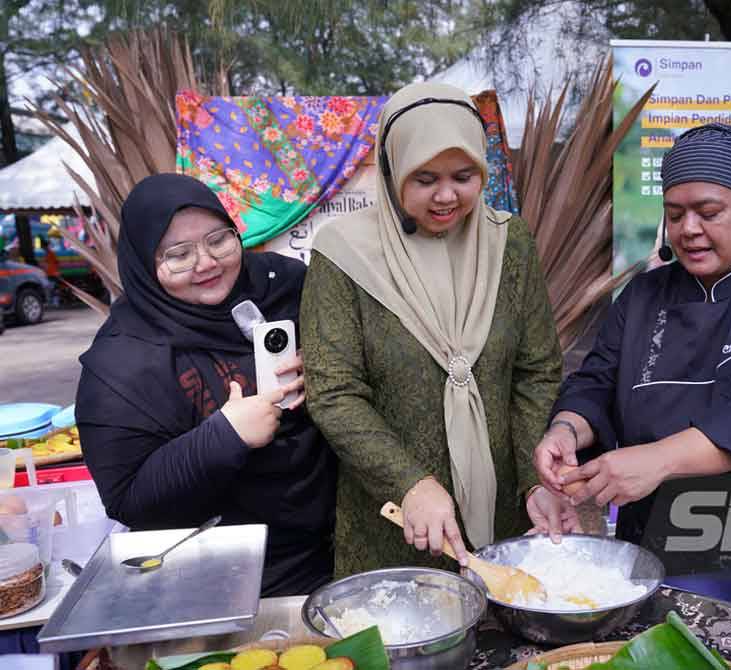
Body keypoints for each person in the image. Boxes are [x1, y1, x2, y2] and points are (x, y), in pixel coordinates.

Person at [301, 82, 575, 579]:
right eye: (425, 178)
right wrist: (409, 482)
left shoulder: (508, 242)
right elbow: (334, 393)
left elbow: (536, 372)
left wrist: (535, 481)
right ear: (392, 171)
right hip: (393, 522)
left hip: (503, 513)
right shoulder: (342, 253)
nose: (447, 196)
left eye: (464, 176)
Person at [534, 123, 731, 552]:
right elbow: (597, 383)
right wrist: (566, 430)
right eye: (675, 215)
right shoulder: (642, 296)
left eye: (709, 212)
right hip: (658, 538)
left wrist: (659, 460)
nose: (688, 229)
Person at [76, 174, 336, 596]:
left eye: (219, 240)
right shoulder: (122, 362)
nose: (207, 263)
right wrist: (224, 436)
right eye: (179, 254)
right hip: (222, 577)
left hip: (337, 546)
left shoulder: (285, 284)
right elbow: (128, 498)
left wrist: (328, 360)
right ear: (143, 262)